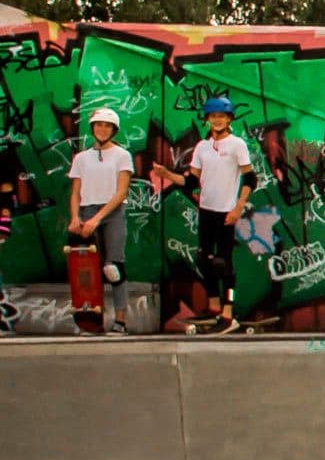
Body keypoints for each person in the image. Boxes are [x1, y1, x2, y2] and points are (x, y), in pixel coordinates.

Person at [156, 96, 255, 334]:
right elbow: (191, 181)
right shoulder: (202, 147)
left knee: (225, 265)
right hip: (206, 211)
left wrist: (238, 207)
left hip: (226, 212)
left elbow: (250, 177)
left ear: (229, 118)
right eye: (213, 117)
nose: (217, 120)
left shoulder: (237, 144)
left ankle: (228, 312)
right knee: (205, 260)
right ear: (208, 119)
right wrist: (168, 175)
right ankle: (213, 308)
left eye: (221, 116)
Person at [67, 108, 134, 334]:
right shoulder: (81, 158)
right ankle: (89, 318)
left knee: (113, 267)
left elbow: (121, 192)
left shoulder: (122, 155)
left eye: (107, 126)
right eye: (99, 125)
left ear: (113, 129)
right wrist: (76, 218)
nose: (102, 129)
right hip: (86, 211)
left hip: (111, 212)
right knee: (85, 269)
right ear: (93, 128)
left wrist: (97, 219)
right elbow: (76, 192)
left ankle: (120, 321)